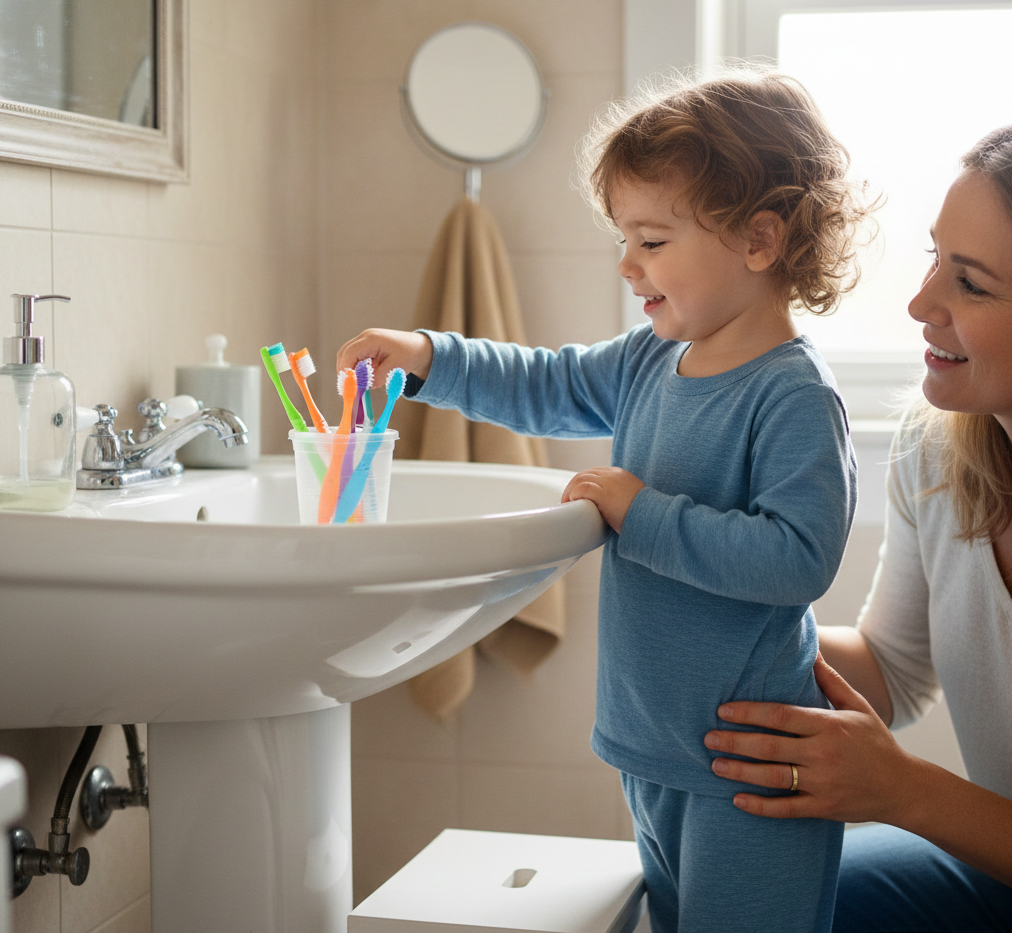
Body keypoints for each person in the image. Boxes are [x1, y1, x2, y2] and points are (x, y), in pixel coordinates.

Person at [339, 68, 874, 932]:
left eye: (653, 241)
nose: (627, 264)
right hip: (651, 748)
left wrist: (641, 511)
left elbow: (796, 559)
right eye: (625, 238)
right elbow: (543, 382)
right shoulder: (646, 361)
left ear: (760, 240)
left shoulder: (792, 395)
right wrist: (430, 357)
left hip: (754, 768)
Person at [704, 125, 1012, 932]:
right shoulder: (938, 449)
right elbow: (891, 666)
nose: (921, 302)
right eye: (934, 256)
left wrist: (905, 789)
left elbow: (906, 776)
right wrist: (709, 597)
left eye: (971, 283)